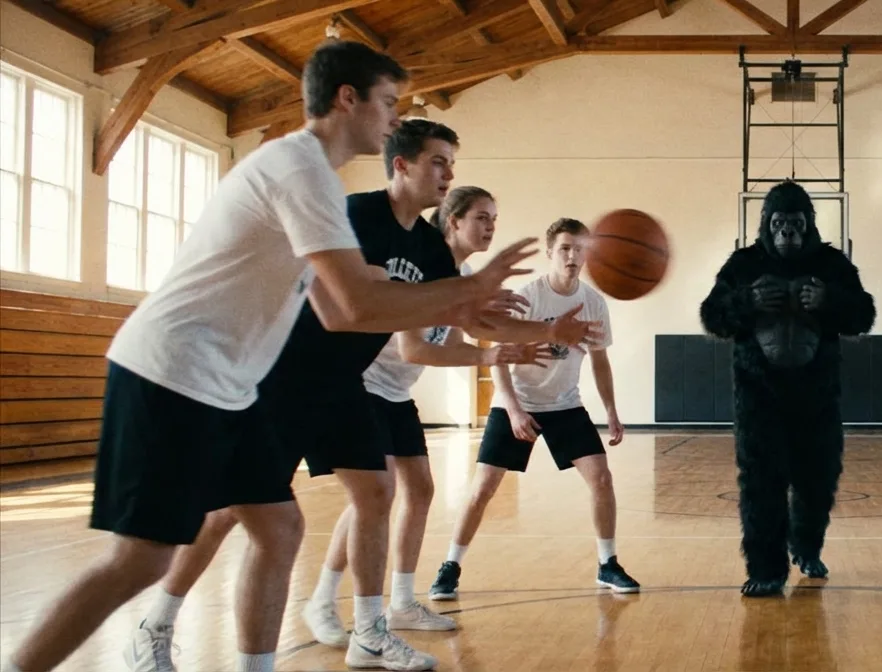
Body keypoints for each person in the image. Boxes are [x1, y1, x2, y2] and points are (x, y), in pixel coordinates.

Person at [3, 41, 541, 672]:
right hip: (172, 369)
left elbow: (378, 299)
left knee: (279, 528)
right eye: (388, 102)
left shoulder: (318, 179)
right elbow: (351, 311)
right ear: (348, 98)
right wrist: (468, 293)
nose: (395, 118)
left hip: (233, 383)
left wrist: (468, 305)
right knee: (141, 558)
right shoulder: (300, 169)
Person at [116, 117, 592, 672]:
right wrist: (472, 315)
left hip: (343, 384)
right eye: (438, 162)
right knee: (224, 514)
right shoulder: (359, 216)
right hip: (282, 379)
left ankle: (369, 630)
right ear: (402, 165)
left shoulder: (429, 249)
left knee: (376, 494)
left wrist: (549, 331)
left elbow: (474, 319)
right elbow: (354, 309)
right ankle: (157, 624)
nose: (447, 174)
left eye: (452, 165)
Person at [296, 185, 551, 641]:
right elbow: (412, 349)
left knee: (420, 490)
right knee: (375, 495)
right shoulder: (424, 267)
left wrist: (508, 345)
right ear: (452, 221)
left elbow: (453, 341)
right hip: (364, 385)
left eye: (494, 217)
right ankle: (323, 600)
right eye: (481, 217)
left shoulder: (465, 275)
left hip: (395, 392)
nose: (491, 225)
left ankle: (401, 602)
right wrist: (488, 357)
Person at [429, 217, 639, 601]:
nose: (572, 256)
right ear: (550, 252)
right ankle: (450, 566)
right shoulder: (529, 297)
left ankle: (607, 563)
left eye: (579, 249)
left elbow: (599, 361)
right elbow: (500, 358)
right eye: (564, 248)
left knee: (602, 478)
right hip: (519, 401)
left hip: (565, 404)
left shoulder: (593, 302)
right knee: (483, 488)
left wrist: (610, 410)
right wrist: (512, 410)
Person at [697, 180, 876, 597]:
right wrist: (747, 301)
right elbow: (713, 317)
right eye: (779, 225)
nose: (788, 235)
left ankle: (807, 547)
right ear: (766, 225)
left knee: (818, 479)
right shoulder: (743, 264)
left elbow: (862, 317)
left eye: (795, 225)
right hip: (759, 396)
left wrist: (830, 300)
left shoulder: (832, 264)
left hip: (818, 395)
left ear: (809, 225)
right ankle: (765, 567)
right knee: (761, 482)